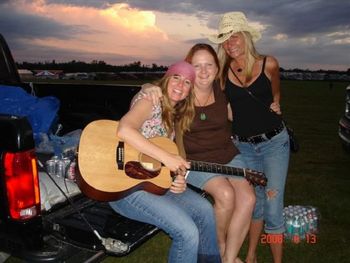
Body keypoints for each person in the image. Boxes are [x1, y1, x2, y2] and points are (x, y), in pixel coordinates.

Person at [140, 44, 256, 263]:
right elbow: (158, 88)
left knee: (248, 198)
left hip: (228, 153)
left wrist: (273, 108)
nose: (203, 72)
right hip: (195, 160)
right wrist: (147, 86)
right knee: (225, 195)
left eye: (208, 65)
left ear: (217, 67)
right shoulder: (182, 91)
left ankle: (230, 258)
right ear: (188, 68)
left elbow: (246, 108)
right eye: (197, 66)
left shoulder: (223, 89)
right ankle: (218, 248)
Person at [109, 61, 221, 263]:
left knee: (205, 211)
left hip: (153, 184)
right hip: (126, 189)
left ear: (189, 91)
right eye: (176, 78)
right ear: (167, 79)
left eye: (187, 82)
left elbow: (163, 157)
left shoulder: (174, 114)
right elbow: (124, 129)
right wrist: (168, 158)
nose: (180, 85)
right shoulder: (150, 99)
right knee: (187, 233)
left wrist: (177, 177)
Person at [209, 11, 289, 263]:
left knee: (273, 208)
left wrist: (276, 104)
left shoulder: (269, 64)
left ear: (246, 37)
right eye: (224, 39)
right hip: (243, 147)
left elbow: (275, 96)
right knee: (255, 204)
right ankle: (252, 255)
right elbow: (226, 110)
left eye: (234, 37)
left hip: (274, 143)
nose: (229, 43)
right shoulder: (222, 74)